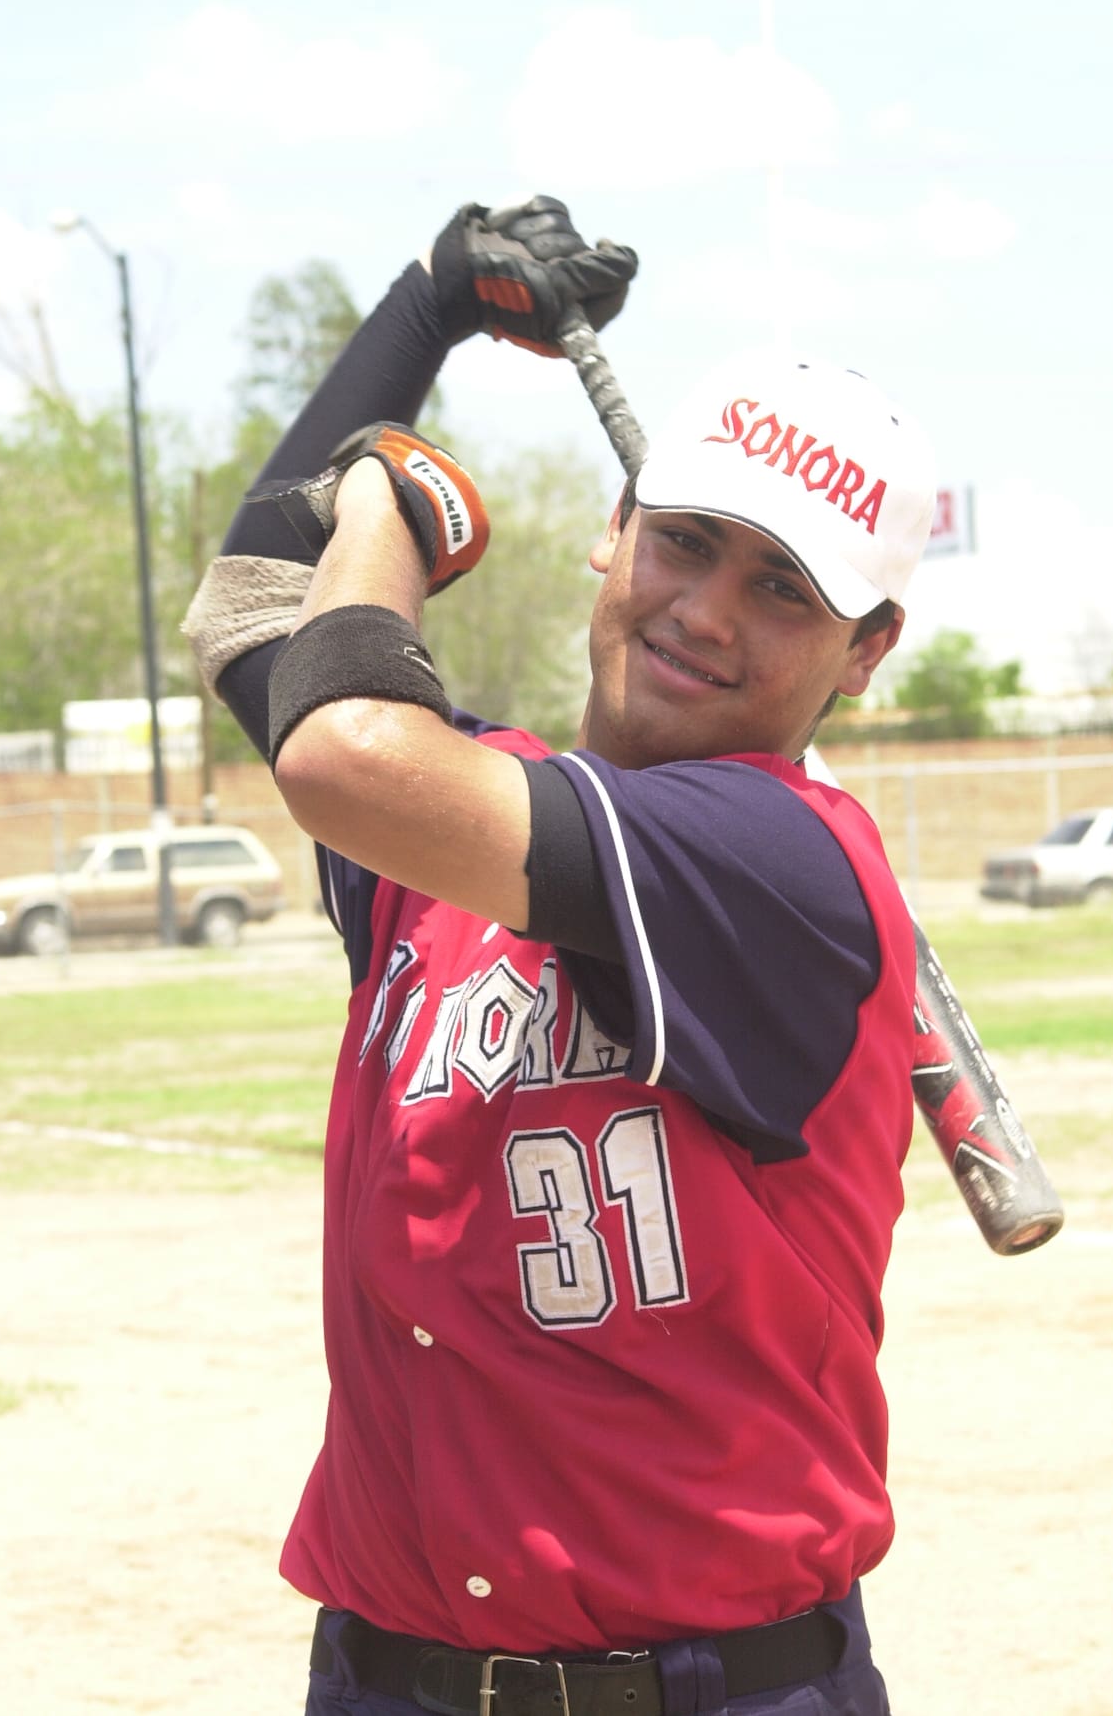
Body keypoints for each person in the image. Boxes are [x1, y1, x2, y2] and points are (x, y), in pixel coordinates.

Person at [184, 195, 938, 1716]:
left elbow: (342, 748)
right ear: (616, 532)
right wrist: (429, 303)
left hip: (711, 1689)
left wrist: (391, 506)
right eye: (686, 541)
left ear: (865, 653)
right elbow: (251, 611)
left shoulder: (783, 861)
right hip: (388, 1675)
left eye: (783, 586)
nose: (705, 612)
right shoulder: (453, 846)